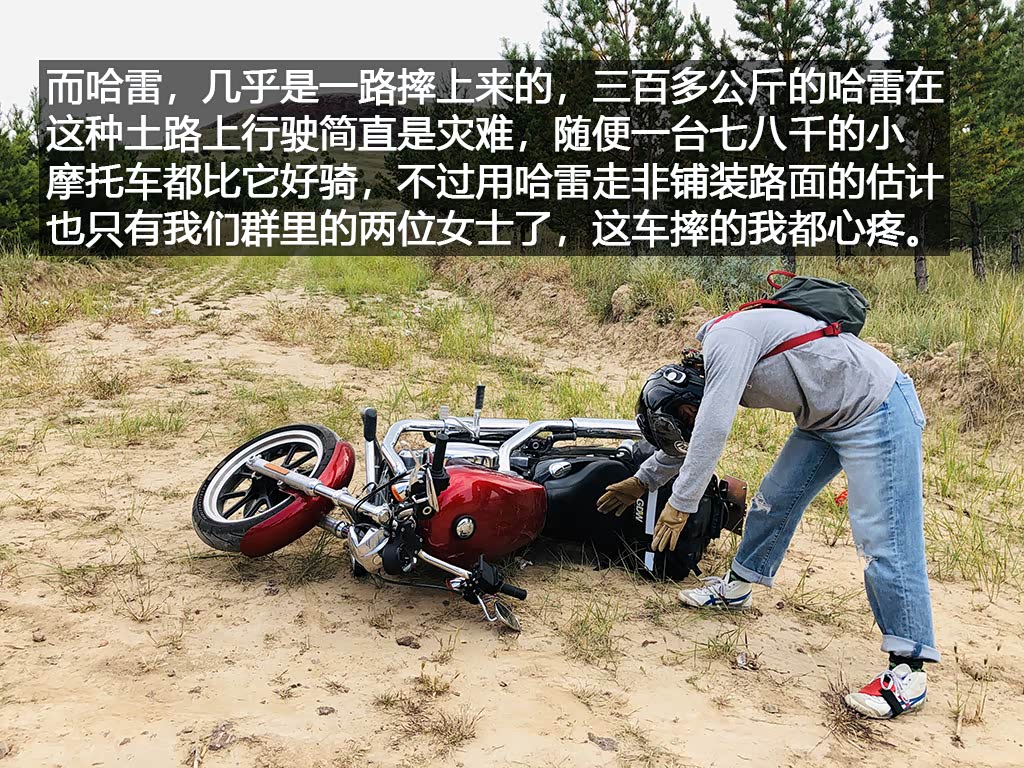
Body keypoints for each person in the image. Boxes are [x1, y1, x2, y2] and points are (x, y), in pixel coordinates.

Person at [596, 306, 938, 719]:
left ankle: (909, 669)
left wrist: (681, 503)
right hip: (824, 418)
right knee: (773, 501)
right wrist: (644, 480)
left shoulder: (727, 342)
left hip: (877, 408)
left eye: (685, 414)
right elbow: (696, 432)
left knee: (885, 539)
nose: (688, 419)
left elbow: (711, 428)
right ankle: (737, 588)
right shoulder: (717, 355)